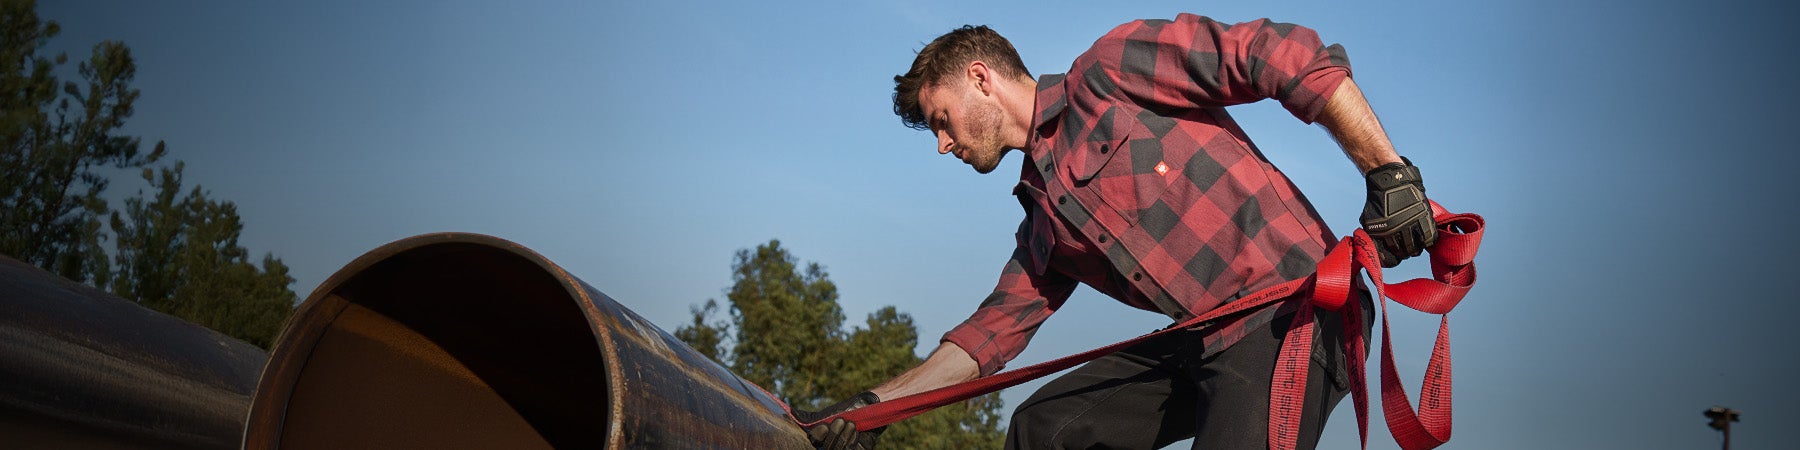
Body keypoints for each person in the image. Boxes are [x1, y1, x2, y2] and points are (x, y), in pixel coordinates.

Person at [794, 13, 1437, 450]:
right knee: (1044, 428)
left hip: (1293, 314)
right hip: (1202, 342)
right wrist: (873, 408)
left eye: (941, 119)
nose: (942, 144)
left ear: (979, 78)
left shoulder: (1110, 72)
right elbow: (986, 338)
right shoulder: (1043, 214)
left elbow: (1276, 51)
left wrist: (1389, 173)